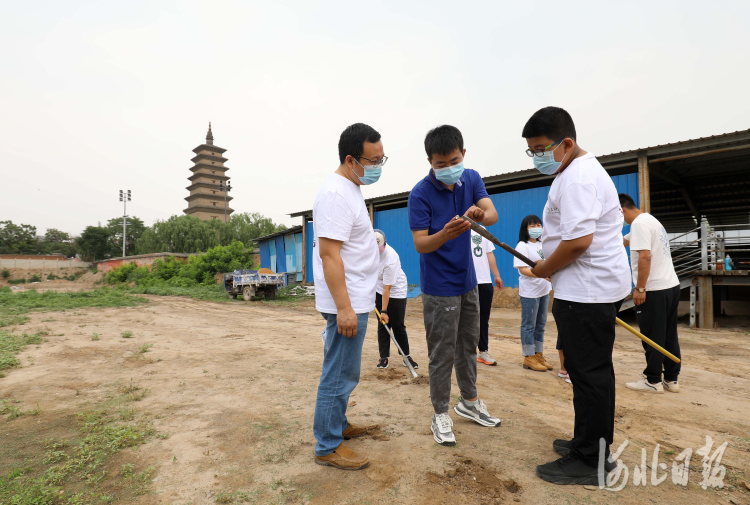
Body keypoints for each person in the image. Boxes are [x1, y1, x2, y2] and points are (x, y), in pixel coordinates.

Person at [523, 107, 631, 484]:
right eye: (531, 150)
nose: (536, 157)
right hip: (584, 288)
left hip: (588, 291)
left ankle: (591, 460)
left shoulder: (578, 178)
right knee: (586, 372)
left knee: (589, 373)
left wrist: (544, 268)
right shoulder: (573, 172)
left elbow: (578, 242)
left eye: (541, 149)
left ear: (566, 143)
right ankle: (586, 442)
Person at [408, 124, 502, 448]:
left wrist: (480, 214)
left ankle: (470, 402)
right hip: (439, 287)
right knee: (442, 352)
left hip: (467, 281)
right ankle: (440, 413)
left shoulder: (471, 179)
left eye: (453, 161)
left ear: (463, 154)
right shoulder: (420, 194)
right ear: (430, 162)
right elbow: (420, 243)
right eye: (440, 163)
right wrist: (445, 234)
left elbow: (492, 213)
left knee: (468, 345)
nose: (448, 168)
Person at [312, 123, 385, 471]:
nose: (378, 166)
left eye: (382, 159)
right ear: (351, 159)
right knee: (339, 373)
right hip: (346, 303)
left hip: (356, 298)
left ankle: (338, 425)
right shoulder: (335, 194)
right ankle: (327, 445)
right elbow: (329, 255)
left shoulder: (351, 188)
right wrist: (344, 308)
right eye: (373, 160)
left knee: (345, 370)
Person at [620, 193, 682, 394]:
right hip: (671, 285)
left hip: (654, 289)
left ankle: (653, 380)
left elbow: (645, 257)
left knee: (652, 335)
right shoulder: (649, 220)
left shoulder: (639, 224)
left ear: (622, 210)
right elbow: (623, 242)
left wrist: (640, 288)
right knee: (669, 334)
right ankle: (671, 378)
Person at [513, 215, 553, 372]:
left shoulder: (544, 244)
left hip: (544, 290)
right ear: (525, 229)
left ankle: (538, 354)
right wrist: (542, 275)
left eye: (538, 225)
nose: (536, 228)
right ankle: (528, 357)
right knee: (529, 325)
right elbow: (523, 270)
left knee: (540, 325)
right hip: (530, 292)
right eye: (532, 226)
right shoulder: (522, 246)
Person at [373, 229, 418, 370]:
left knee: (398, 325)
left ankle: (406, 356)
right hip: (379, 288)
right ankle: (383, 357)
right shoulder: (366, 252)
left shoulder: (390, 258)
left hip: (396, 290)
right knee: (383, 324)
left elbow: (387, 288)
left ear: (385, 243)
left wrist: (384, 311)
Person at [470, 226, 504, 366]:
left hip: (484, 281)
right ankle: (464, 352)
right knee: (464, 319)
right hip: (466, 282)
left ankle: (483, 351)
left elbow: (489, 253)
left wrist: (496, 275)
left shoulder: (481, 229)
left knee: (483, 319)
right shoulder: (456, 227)